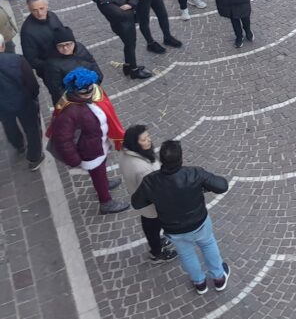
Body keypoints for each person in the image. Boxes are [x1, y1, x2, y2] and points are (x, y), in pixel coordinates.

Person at [131, 140, 231, 295]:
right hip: (199, 223)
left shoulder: (151, 181)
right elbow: (222, 185)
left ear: (161, 159)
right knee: (208, 245)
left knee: (186, 254)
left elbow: (137, 203)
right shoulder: (194, 173)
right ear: (181, 158)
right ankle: (219, 278)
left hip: (174, 229)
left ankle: (199, 283)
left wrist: (155, 196)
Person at [47, 68, 129, 214]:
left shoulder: (92, 95)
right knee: (97, 172)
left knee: (100, 169)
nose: (90, 93)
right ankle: (105, 202)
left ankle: (104, 183)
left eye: (91, 89)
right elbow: (64, 140)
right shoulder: (69, 112)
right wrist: (74, 160)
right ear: (74, 90)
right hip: (89, 150)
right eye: (84, 91)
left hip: (98, 143)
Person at [120, 125, 177, 262]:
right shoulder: (142, 169)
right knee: (152, 226)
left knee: (150, 225)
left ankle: (156, 244)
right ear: (135, 143)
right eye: (144, 139)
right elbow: (153, 191)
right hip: (152, 206)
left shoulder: (126, 153)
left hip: (144, 204)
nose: (149, 141)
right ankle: (156, 253)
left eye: (148, 137)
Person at [86, 0, 153, 80]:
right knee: (130, 46)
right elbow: (121, 15)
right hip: (123, 26)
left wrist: (130, 4)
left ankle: (128, 66)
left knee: (129, 46)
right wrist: (132, 4)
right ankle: (134, 70)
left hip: (127, 22)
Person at [0, 52, 45, 171]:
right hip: (24, 100)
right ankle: (34, 158)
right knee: (31, 128)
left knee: (9, 125)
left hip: (3, 106)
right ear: (2, 46)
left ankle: (18, 144)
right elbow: (30, 80)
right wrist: (34, 95)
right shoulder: (17, 59)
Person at [42, 27, 102, 105]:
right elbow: (57, 90)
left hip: (92, 91)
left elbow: (93, 64)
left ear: (74, 42)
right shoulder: (52, 64)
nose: (65, 48)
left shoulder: (80, 48)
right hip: (75, 102)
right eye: (60, 46)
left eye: (68, 44)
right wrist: (80, 98)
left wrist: (95, 84)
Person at [20, 0, 65, 79]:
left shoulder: (52, 15)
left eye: (42, 8)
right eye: (34, 10)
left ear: (47, 6)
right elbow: (31, 60)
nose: (39, 13)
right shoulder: (27, 32)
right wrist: (52, 66)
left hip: (65, 61)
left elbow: (63, 34)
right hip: (50, 71)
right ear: (29, 9)